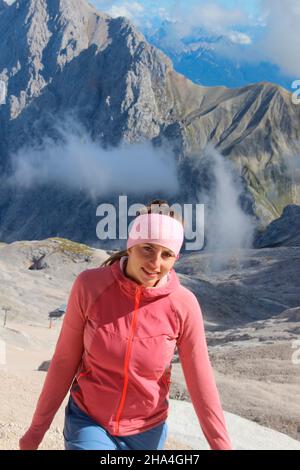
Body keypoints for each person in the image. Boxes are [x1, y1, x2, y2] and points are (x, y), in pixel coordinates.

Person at [19, 199, 232, 451]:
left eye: (166, 254)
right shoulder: (89, 286)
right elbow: (64, 361)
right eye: (148, 249)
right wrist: (35, 432)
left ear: (177, 257)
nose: (155, 263)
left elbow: (200, 381)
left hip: (148, 430)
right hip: (89, 420)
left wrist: (222, 446)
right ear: (130, 246)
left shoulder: (184, 305)